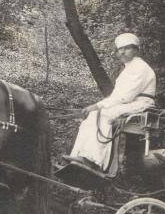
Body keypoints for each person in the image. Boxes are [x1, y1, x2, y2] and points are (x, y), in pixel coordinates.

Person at [65, 33, 156, 171]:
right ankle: (79, 156)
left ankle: (94, 161)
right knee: (93, 115)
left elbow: (125, 96)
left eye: (127, 48)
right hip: (130, 102)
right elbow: (118, 95)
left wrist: (98, 105)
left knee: (103, 114)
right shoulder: (128, 68)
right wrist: (98, 107)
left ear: (136, 50)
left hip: (140, 104)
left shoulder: (140, 67)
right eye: (120, 49)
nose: (123, 52)